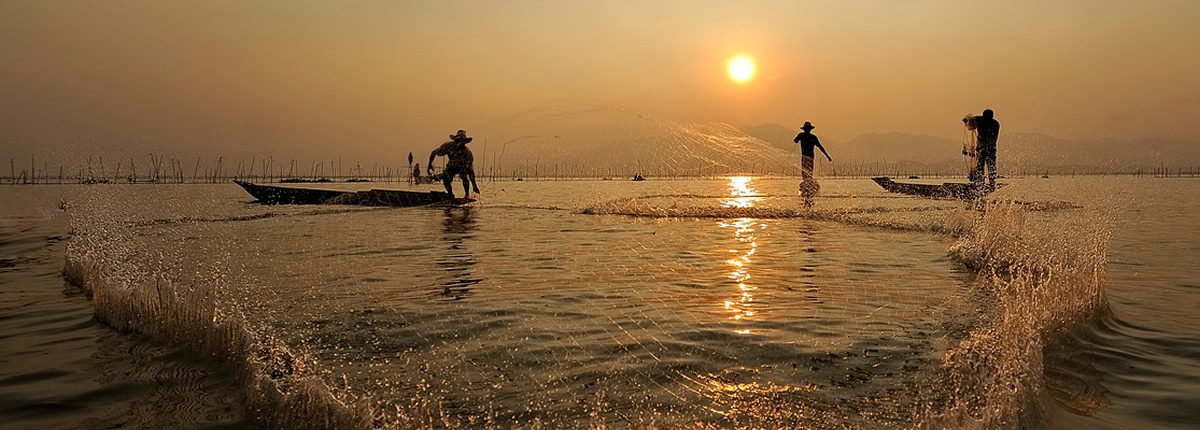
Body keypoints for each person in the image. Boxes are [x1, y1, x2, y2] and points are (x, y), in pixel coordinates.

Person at [428, 130, 480, 199]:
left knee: (464, 175)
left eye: (462, 141)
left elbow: (471, 172)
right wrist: (429, 164)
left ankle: (466, 195)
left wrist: (474, 186)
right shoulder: (448, 146)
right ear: (455, 140)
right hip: (451, 166)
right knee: (446, 178)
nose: (459, 143)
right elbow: (434, 152)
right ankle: (450, 194)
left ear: (464, 142)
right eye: (458, 140)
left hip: (462, 167)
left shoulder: (467, 153)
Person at [793, 122, 832, 200]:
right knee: (807, 174)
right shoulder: (811, 137)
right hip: (808, 158)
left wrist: (827, 156)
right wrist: (827, 156)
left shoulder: (803, 135)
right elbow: (820, 147)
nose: (807, 131)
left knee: (807, 174)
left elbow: (795, 141)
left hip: (807, 158)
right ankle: (809, 189)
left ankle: (809, 190)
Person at [972, 109, 1000, 189]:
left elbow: (968, 122)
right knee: (987, 167)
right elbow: (969, 121)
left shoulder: (982, 121)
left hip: (985, 149)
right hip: (988, 149)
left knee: (984, 167)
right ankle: (987, 184)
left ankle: (986, 184)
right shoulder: (994, 123)